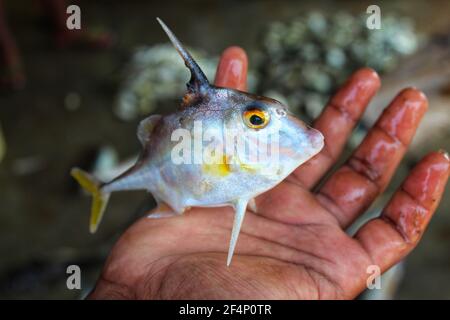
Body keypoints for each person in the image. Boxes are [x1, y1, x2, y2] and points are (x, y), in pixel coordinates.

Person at [88, 46, 449, 299]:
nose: (281, 127)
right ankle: (102, 188)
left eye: (266, 116)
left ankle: (102, 187)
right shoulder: (225, 152)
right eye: (257, 121)